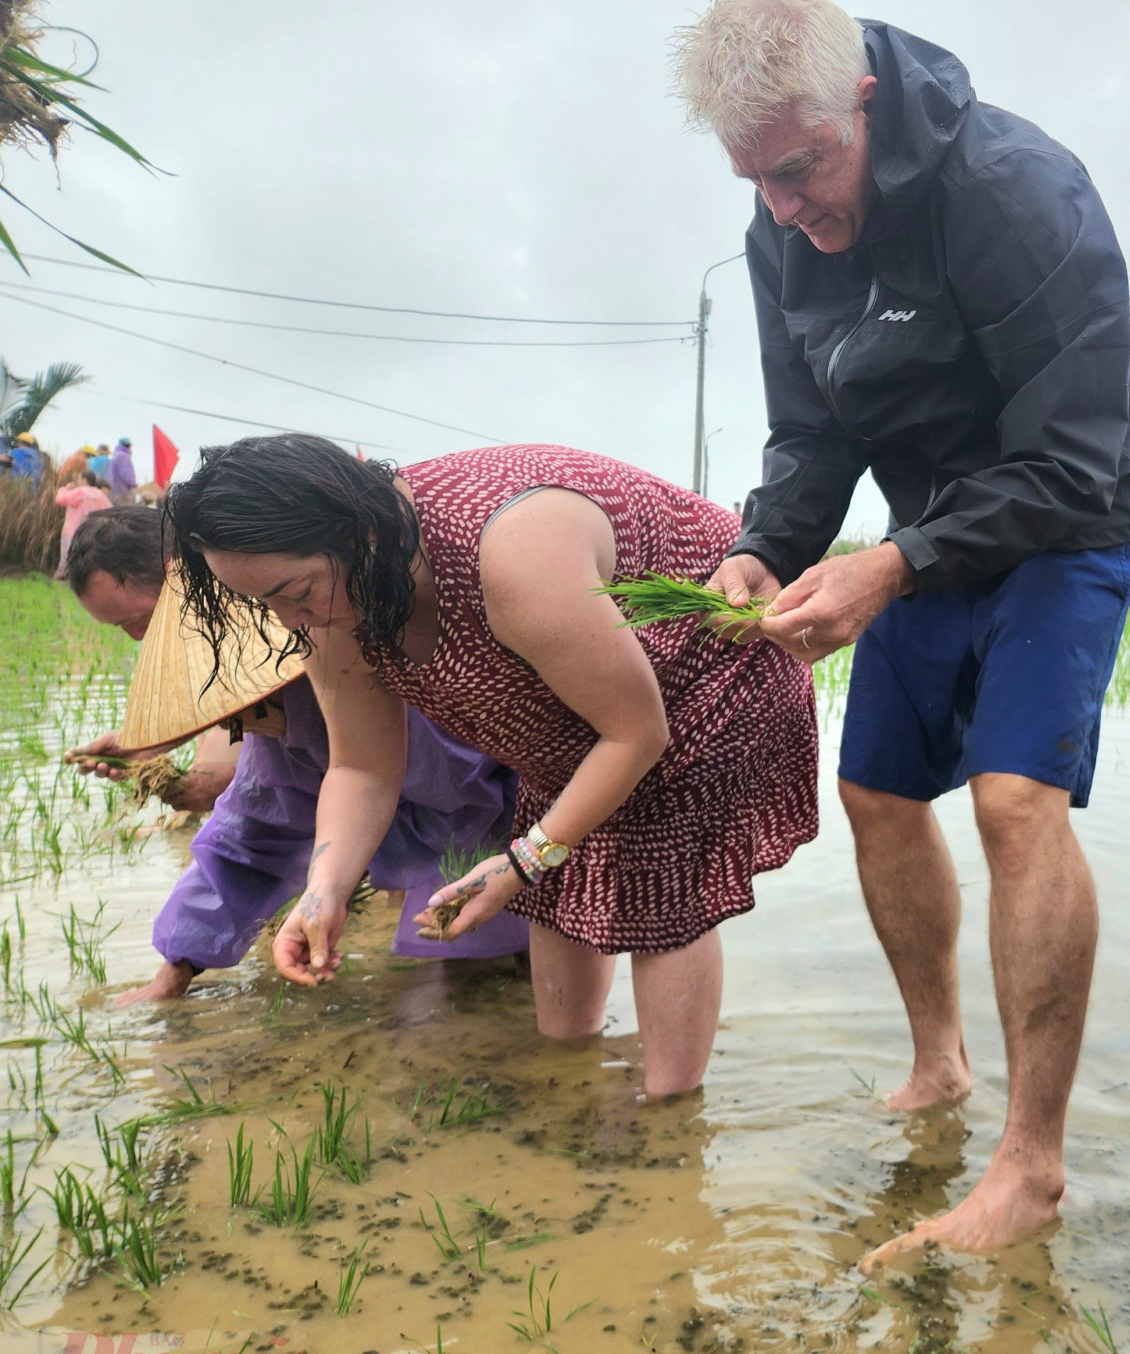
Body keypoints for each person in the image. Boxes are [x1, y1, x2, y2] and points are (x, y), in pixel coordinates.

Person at [673, 0, 1130, 1259]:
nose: (788, 209)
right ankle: (940, 1064)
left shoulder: (1016, 190)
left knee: (1012, 801)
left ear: (867, 102)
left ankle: (1031, 1166)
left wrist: (895, 564)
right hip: (927, 532)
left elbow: (1077, 457)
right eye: (758, 184)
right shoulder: (781, 234)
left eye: (808, 167)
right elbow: (810, 433)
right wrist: (765, 549)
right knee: (881, 796)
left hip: (1072, 515)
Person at [164, 435, 819, 1097]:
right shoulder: (336, 608)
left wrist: (523, 859)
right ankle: (569, 1077)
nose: (291, 620)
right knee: (554, 879)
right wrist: (324, 890)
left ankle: (670, 1123)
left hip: (706, 660)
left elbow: (634, 733)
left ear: (358, 533)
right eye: (264, 603)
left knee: (657, 878)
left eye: (298, 591)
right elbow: (362, 769)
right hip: (576, 701)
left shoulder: (511, 554)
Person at [59, 506, 529, 1002]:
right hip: (448, 837)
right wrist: (170, 979)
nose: (137, 640)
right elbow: (246, 840)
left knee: (488, 973)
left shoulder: (363, 660)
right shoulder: (266, 720)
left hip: (514, 832)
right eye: (121, 629)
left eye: (140, 620)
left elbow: (500, 790)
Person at [53, 469, 112, 578]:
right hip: (93, 531)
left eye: (79, 478)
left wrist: (64, 489)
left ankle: (63, 575)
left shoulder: (80, 492)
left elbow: (60, 500)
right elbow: (109, 511)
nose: (78, 481)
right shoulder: (100, 495)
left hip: (73, 530)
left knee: (68, 554)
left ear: (84, 480)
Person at [108, 437, 137, 503]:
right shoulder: (123, 456)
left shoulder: (116, 455)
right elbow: (126, 475)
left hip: (114, 490)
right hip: (122, 491)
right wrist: (133, 484)